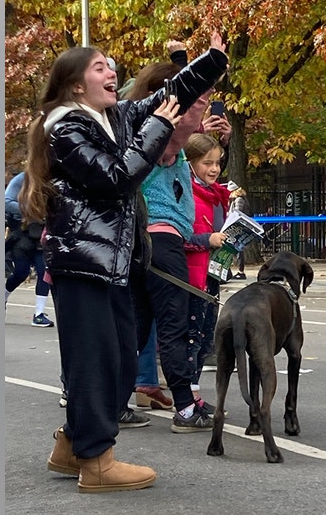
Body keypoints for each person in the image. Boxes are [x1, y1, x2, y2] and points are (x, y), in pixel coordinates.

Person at [20, 34, 229, 493]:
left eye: (109, 65)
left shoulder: (111, 117)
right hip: (83, 261)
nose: (111, 71)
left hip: (111, 261)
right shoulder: (65, 129)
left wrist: (211, 61)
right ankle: (96, 461)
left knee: (116, 361)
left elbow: (172, 95)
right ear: (76, 85)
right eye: (99, 67)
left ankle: (73, 445)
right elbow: (116, 178)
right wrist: (155, 128)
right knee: (96, 362)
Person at [125, 49, 231, 434]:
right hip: (162, 244)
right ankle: (185, 408)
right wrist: (206, 74)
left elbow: (191, 131)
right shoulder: (160, 142)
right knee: (174, 325)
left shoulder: (143, 138)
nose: (193, 116)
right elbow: (183, 123)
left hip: (142, 245)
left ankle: (116, 401)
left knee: (138, 327)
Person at [184, 133, 231, 411]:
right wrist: (207, 240)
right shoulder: (187, 194)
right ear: (190, 162)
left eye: (217, 163)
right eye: (207, 163)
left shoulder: (216, 195)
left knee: (204, 338)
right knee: (191, 338)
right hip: (192, 278)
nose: (214, 169)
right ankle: (188, 397)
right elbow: (177, 236)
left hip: (211, 274)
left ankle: (193, 393)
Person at [4, 172, 54, 327]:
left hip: (41, 235)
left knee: (43, 272)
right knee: (21, 273)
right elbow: (6, 202)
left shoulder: (52, 181)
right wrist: (32, 211)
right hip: (22, 235)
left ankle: (39, 314)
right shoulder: (22, 179)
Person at [228, 185, 249, 278]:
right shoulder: (240, 199)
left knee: (238, 249)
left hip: (237, 227)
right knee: (238, 248)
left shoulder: (238, 200)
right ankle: (239, 271)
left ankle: (240, 271)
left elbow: (237, 213)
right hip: (239, 226)